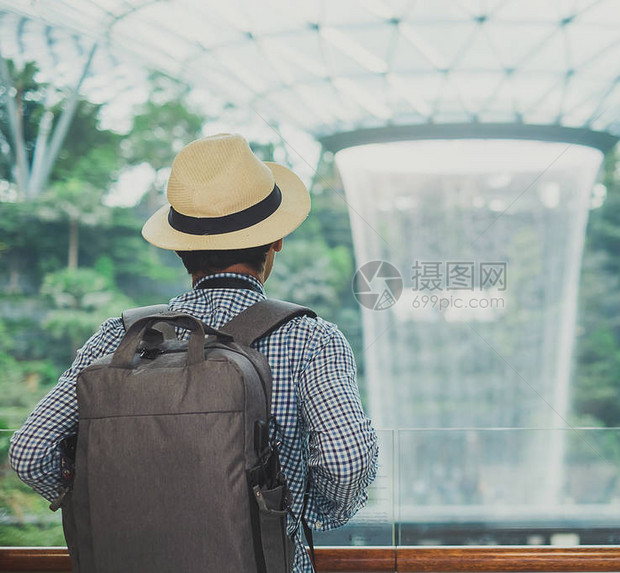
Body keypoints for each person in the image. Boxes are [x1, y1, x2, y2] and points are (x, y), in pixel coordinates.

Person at [9, 133, 378, 573]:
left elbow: (30, 450)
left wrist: (96, 501)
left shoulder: (120, 336)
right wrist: (300, 512)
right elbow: (345, 460)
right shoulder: (310, 339)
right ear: (275, 240)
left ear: (181, 248)